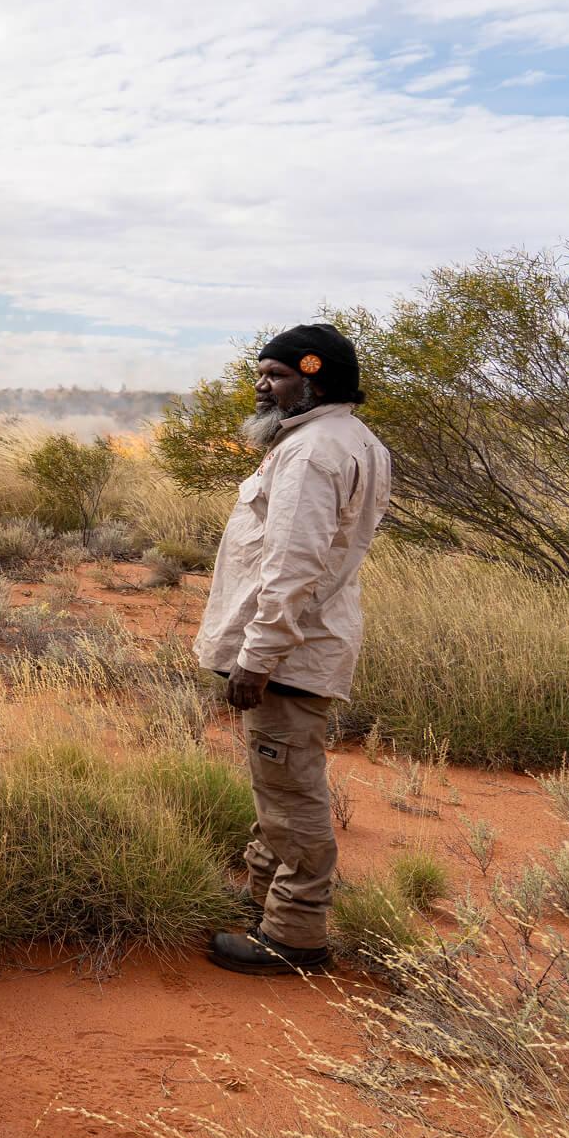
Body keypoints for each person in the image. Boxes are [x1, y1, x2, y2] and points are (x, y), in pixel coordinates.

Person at [196, 323, 391, 976]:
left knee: (290, 792)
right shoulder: (343, 440)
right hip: (308, 644)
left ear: (317, 379)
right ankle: (261, 898)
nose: (262, 384)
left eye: (278, 374)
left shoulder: (310, 454)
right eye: (262, 372)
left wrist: (257, 656)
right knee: (275, 781)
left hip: (290, 652)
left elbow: (291, 567)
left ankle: (295, 934)